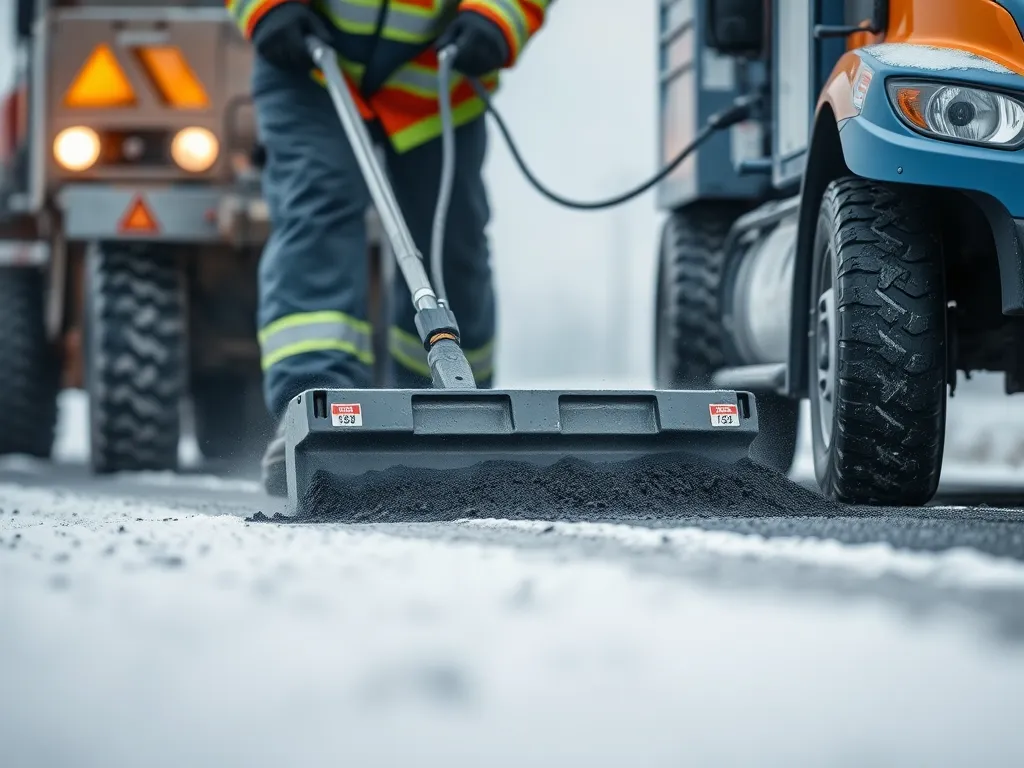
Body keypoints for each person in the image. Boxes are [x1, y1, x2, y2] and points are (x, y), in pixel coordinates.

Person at [226, 0, 551, 495]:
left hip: (434, 73)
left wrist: (500, 15)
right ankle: (314, 409)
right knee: (316, 215)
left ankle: (461, 420)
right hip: (310, 64)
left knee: (451, 239)